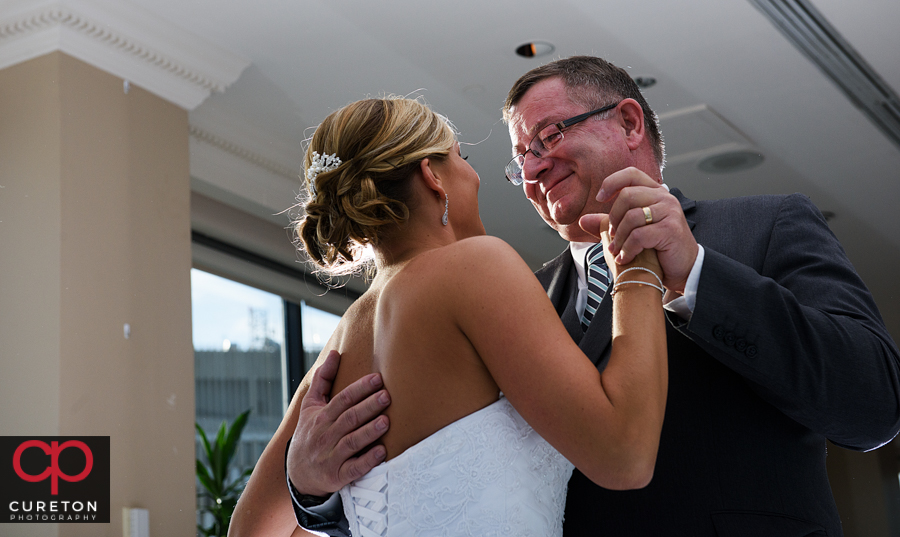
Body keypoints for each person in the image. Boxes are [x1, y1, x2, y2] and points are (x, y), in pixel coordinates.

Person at [238, 57, 900, 537]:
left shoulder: (767, 225)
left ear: (629, 120)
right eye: (519, 156)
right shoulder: (502, 293)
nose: (530, 168)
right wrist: (308, 485)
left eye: (548, 137)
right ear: (435, 180)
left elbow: (874, 405)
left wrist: (694, 272)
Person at [229, 96, 669, 537]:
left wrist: (303, 484)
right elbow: (624, 455)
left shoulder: (338, 349)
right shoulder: (476, 266)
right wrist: (635, 266)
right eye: (462, 157)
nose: (474, 176)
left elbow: (247, 532)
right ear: (431, 175)